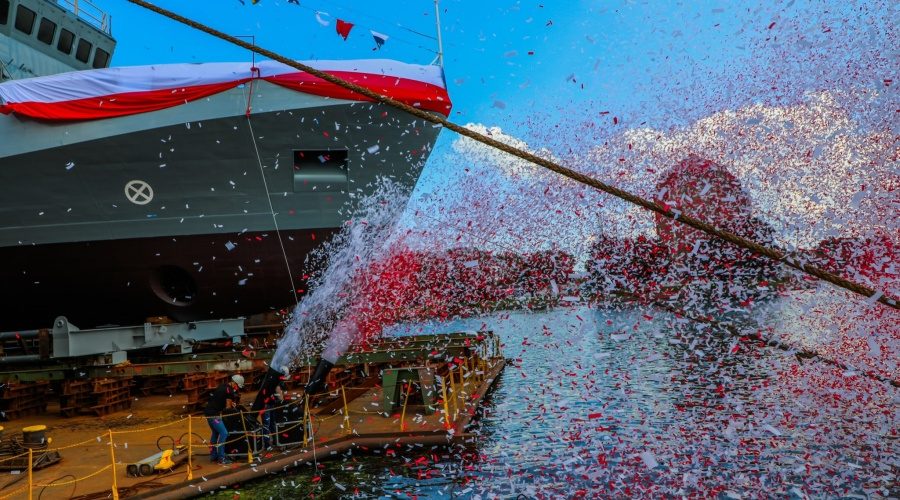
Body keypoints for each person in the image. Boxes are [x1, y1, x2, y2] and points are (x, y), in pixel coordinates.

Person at [204, 374, 244, 464]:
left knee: (215, 433)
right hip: (214, 414)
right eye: (237, 386)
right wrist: (233, 405)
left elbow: (221, 400)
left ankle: (213, 455)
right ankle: (221, 458)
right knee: (224, 433)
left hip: (208, 412)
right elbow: (228, 407)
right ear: (234, 383)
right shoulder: (229, 391)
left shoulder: (223, 385)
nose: (237, 388)